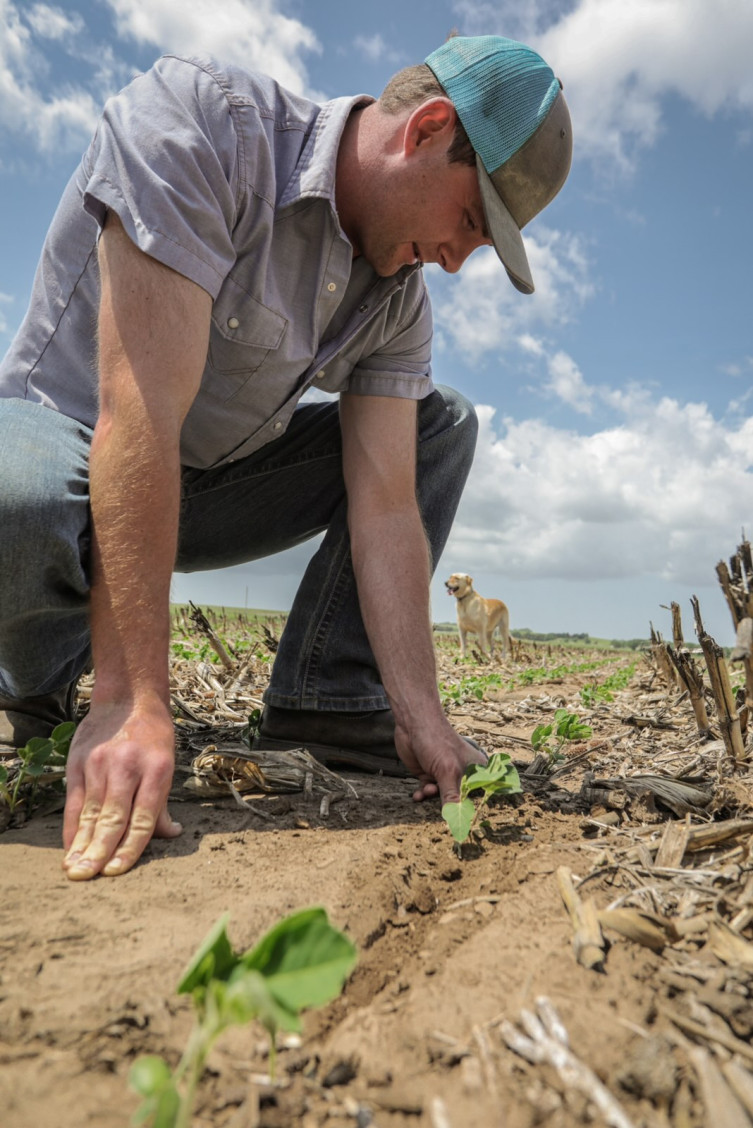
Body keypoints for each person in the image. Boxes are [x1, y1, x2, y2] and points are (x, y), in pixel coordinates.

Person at [0, 34, 572, 880]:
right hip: (79, 450)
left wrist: (420, 710)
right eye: (470, 220)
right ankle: (40, 683)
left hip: (209, 484)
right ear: (426, 129)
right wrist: (132, 701)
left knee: (435, 421)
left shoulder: (396, 304)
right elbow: (140, 416)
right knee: (19, 500)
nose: (458, 258)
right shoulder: (205, 127)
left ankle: (333, 703)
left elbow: (383, 505)